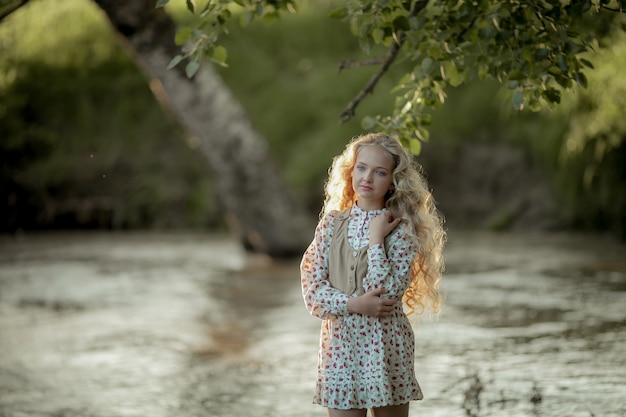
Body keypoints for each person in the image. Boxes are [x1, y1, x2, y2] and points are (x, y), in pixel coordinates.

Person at [300, 132, 445, 417]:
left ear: (393, 182)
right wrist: (353, 304)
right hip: (340, 349)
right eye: (361, 167)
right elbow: (312, 293)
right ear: (351, 171)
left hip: (385, 347)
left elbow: (386, 296)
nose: (367, 177)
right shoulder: (331, 225)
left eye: (379, 172)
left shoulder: (401, 231)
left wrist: (376, 240)